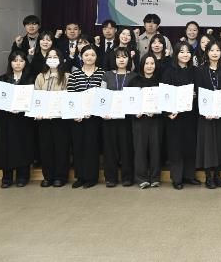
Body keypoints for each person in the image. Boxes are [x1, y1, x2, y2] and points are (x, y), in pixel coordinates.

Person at [0, 51, 35, 188]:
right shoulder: (2, 79)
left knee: (23, 147)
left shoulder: (31, 79)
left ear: (25, 63)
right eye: (15, 60)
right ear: (10, 63)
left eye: (21, 60)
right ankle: (6, 177)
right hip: (5, 120)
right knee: (5, 147)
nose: (18, 63)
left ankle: (22, 176)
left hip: (24, 120)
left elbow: (36, 100)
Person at [195, 40, 221, 189]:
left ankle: (218, 175)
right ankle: (208, 176)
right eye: (212, 50)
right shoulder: (200, 70)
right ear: (207, 52)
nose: (215, 53)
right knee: (208, 145)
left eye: (218, 50)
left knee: (219, 144)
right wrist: (205, 111)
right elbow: (198, 92)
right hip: (205, 115)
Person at [161, 42, 200, 190]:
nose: (185, 54)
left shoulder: (195, 71)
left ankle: (189, 176)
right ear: (176, 54)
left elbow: (201, 91)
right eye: (182, 52)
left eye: (188, 52)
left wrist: (196, 94)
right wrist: (168, 112)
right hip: (175, 116)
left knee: (190, 146)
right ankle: (177, 178)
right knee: (176, 147)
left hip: (191, 115)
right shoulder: (169, 71)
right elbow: (164, 94)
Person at [66, 45, 104, 189]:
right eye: (86, 55)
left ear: (96, 57)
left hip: (94, 118)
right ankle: (80, 177)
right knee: (78, 146)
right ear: (81, 57)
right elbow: (71, 96)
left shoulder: (102, 73)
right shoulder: (75, 74)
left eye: (92, 55)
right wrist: (75, 114)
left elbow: (104, 96)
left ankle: (91, 177)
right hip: (77, 118)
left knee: (92, 147)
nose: (89, 57)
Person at [33, 48, 71, 187]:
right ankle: (48, 176)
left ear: (60, 59)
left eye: (55, 57)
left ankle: (60, 176)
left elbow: (70, 97)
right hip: (44, 119)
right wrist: (36, 111)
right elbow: (36, 97)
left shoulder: (67, 76)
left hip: (60, 119)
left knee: (61, 147)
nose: (52, 59)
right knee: (45, 148)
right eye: (50, 57)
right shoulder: (40, 76)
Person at [100, 47, 136, 187]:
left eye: (124, 57)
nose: (121, 60)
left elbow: (136, 98)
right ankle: (110, 177)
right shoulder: (107, 75)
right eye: (118, 57)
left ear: (129, 59)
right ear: (114, 59)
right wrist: (103, 112)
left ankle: (127, 177)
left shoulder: (134, 76)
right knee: (110, 149)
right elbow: (102, 96)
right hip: (109, 118)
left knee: (127, 148)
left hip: (127, 119)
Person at [127, 54, 162, 189]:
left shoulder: (160, 81)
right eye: (147, 63)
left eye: (152, 63)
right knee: (140, 149)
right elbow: (129, 102)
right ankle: (141, 178)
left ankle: (155, 177)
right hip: (139, 121)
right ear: (142, 65)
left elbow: (165, 101)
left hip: (156, 120)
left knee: (155, 149)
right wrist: (134, 112)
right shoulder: (134, 81)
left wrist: (157, 110)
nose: (149, 66)